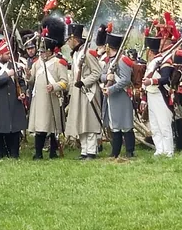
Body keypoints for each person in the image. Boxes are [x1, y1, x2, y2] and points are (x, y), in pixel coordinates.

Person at [26, 16, 69, 159]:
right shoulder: (37, 63)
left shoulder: (59, 63)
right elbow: (31, 80)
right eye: (41, 51)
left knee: (52, 127)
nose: (41, 53)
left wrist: (54, 86)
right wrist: (27, 75)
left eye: (44, 51)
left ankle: (53, 152)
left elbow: (64, 82)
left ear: (50, 51)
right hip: (39, 100)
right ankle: (38, 153)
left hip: (52, 98)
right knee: (40, 128)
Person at [65, 22, 104, 160]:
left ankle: (91, 151)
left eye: (70, 40)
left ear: (75, 39)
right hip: (77, 91)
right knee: (79, 121)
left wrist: (84, 82)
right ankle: (84, 150)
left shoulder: (87, 53)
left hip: (89, 91)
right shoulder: (76, 55)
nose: (68, 43)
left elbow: (97, 72)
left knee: (90, 121)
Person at [0, 39, 27, 159]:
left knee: (14, 129)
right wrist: (7, 75)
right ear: (0, 54)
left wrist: (22, 92)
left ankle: (14, 153)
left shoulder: (13, 64)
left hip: (13, 100)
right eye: (7, 54)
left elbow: (21, 81)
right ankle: (0, 153)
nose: (9, 56)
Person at [101, 29, 136, 158]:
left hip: (122, 96)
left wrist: (111, 89)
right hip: (112, 96)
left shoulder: (122, 60)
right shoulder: (110, 60)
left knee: (126, 124)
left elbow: (125, 80)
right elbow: (102, 75)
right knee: (114, 125)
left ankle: (130, 151)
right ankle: (115, 152)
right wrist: (107, 79)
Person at [141, 36, 175, 157]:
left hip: (161, 95)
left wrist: (151, 81)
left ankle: (168, 150)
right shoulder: (152, 62)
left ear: (149, 51)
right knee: (155, 125)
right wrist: (144, 99)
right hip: (151, 95)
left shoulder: (164, 60)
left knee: (164, 124)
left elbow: (165, 79)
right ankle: (159, 149)